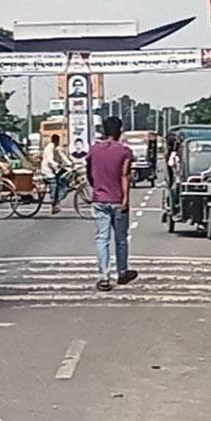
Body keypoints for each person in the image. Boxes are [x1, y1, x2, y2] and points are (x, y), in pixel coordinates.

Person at [84, 117, 137, 291]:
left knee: (102, 238)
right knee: (121, 239)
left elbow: (89, 173)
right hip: (117, 199)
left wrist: (97, 187)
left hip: (100, 199)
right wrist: (126, 199)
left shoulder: (94, 150)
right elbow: (125, 176)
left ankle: (104, 276)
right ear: (119, 131)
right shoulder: (124, 151)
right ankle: (122, 272)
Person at [40, 134, 73, 205]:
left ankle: (59, 197)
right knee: (54, 183)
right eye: (57, 140)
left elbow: (62, 156)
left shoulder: (56, 148)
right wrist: (57, 165)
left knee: (64, 178)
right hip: (47, 170)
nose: (58, 142)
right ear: (54, 140)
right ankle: (54, 200)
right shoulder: (49, 148)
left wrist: (70, 163)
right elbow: (50, 160)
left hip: (54, 169)